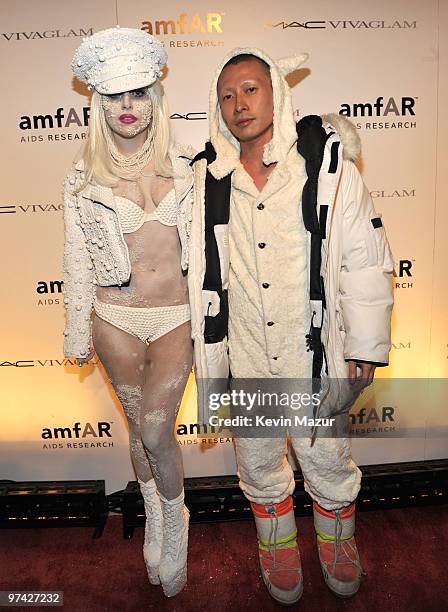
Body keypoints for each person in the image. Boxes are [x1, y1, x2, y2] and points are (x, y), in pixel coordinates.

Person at [188, 48, 394, 604]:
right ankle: (276, 546)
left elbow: (363, 260)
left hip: (313, 350)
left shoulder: (327, 169)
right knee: (257, 458)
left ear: (278, 90)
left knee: (326, 455)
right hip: (247, 349)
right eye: (227, 95)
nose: (239, 104)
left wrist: (365, 346)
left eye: (251, 89)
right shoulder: (208, 179)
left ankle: (337, 541)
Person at [63, 27, 194, 598]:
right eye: (115, 97)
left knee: (156, 428)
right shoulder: (82, 178)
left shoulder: (189, 165)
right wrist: (75, 332)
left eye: (138, 93)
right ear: (98, 104)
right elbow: (76, 260)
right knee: (138, 433)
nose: (127, 108)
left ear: (156, 99)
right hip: (113, 318)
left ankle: (176, 526)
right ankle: (152, 512)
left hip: (175, 318)